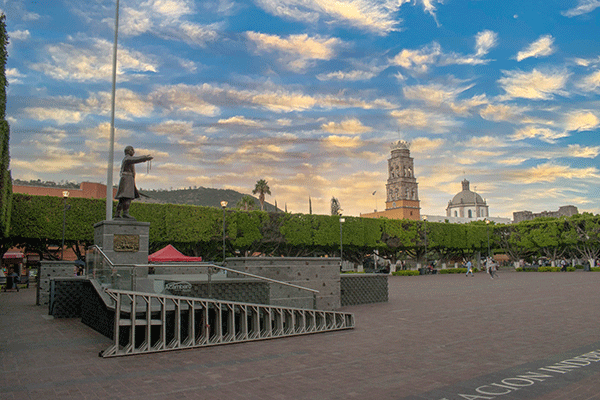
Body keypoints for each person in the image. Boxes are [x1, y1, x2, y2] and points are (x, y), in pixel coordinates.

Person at [115, 146, 153, 219]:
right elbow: (136, 159)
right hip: (127, 179)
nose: (134, 152)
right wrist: (145, 158)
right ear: (128, 151)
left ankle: (117, 213)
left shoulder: (127, 159)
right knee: (127, 197)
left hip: (127, 179)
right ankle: (125, 213)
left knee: (122, 198)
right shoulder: (127, 158)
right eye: (132, 150)